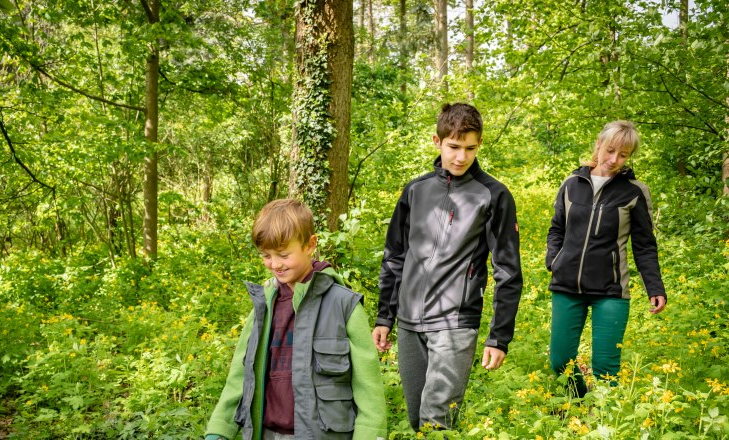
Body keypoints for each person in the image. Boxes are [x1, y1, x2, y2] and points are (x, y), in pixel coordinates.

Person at [373, 103, 523, 431]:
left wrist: (499, 337)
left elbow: (508, 271)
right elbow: (394, 256)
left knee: (436, 423)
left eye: (470, 148)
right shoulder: (415, 190)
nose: (460, 157)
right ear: (436, 141)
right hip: (410, 323)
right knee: (417, 421)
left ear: (479, 145)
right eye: (454, 147)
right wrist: (385, 315)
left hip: (456, 323)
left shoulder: (494, 196)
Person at [205, 199, 387, 440]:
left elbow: (368, 386)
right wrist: (220, 429)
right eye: (266, 256)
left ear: (310, 245)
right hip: (266, 433)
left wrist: (370, 435)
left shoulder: (344, 304)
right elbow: (241, 373)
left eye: (283, 254)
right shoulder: (264, 305)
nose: (275, 264)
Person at [546, 120, 667, 398]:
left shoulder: (634, 191)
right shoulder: (571, 184)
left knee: (606, 369)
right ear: (598, 144)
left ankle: (604, 422)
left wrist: (655, 288)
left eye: (623, 155)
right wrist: (554, 259)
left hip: (611, 291)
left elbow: (645, 245)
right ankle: (579, 402)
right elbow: (557, 229)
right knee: (560, 362)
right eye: (610, 150)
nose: (614, 160)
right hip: (567, 287)